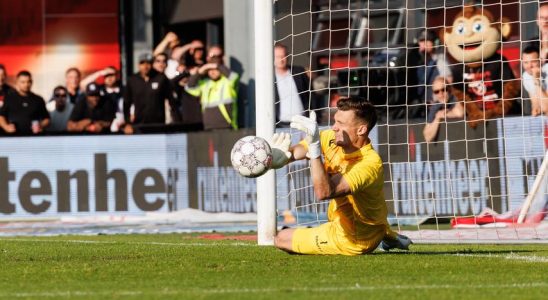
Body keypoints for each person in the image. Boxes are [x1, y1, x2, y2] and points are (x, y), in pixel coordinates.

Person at [270, 97, 412, 255]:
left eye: (341, 124)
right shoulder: (331, 138)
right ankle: (386, 234)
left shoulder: (369, 164)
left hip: (354, 238)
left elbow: (324, 193)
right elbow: (296, 152)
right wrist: (277, 156)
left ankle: (380, 236)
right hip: (351, 222)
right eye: (335, 121)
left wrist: (315, 150)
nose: (334, 128)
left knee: (281, 238)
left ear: (361, 130)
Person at [123, 53, 181, 134]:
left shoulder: (161, 78)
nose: (145, 66)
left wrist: (178, 124)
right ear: (138, 65)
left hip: (158, 124)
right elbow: (126, 104)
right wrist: (127, 123)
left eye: (148, 63)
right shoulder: (132, 80)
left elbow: (172, 102)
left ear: (152, 64)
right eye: (142, 63)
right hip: (139, 124)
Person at [185, 54, 239, 130]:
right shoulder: (205, 84)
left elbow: (234, 76)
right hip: (208, 127)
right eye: (209, 70)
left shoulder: (227, 81)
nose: (212, 72)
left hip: (227, 126)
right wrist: (199, 72)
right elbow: (189, 87)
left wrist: (217, 65)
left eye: (215, 69)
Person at [0, 70, 49, 135]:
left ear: (32, 82)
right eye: (23, 82)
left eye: (28, 82)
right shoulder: (9, 98)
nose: (26, 84)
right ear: (17, 82)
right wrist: (6, 126)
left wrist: (40, 126)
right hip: (13, 138)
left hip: (33, 138)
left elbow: (46, 119)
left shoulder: (38, 99)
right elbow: (1, 116)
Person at [274, 43, 312, 125]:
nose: (281, 59)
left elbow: (311, 94)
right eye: (277, 57)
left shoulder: (299, 71)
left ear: (288, 56)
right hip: (281, 124)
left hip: (303, 121)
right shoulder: (269, 78)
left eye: (283, 56)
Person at [413, 29, 452, 104]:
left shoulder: (440, 59)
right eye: (421, 41)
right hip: (423, 103)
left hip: (436, 104)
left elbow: (448, 80)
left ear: (435, 43)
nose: (424, 44)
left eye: (427, 40)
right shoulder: (420, 61)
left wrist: (437, 99)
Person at [80, 66, 124, 131]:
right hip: (104, 124)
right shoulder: (99, 89)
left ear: (117, 76)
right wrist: (100, 73)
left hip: (120, 122)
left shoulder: (123, 90)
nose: (109, 78)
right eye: (106, 75)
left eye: (112, 75)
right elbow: (82, 84)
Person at [422, 77, 465, 142]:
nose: (440, 94)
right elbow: (427, 137)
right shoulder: (436, 106)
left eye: (443, 90)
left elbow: (460, 113)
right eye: (436, 92)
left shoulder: (456, 97)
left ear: (449, 89)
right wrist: (437, 118)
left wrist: (445, 114)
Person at [521, 46, 548, 116]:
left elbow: (546, 107)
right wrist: (535, 109)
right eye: (525, 62)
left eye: (533, 62)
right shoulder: (525, 76)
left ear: (540, 61)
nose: (529, 66)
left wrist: (536, 81)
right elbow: (535, 102)